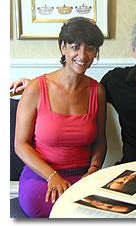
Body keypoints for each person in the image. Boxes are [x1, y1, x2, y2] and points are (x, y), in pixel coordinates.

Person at [11, 15, 136, 164]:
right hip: (130, 173)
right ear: (134, 51)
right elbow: (80, 90)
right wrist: (37, 87)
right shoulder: (116, 82)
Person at [13, 17, 107, 218]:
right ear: (63, 48)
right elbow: (20, 145)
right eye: (75, 47)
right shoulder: (36, 89)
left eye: (90, 48)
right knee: (58, 212)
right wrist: (52, 176)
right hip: (41, 176)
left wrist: (93, 171)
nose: (83, 55)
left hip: (84, 176)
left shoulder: (97, 91)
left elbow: (100, 142)